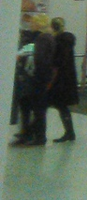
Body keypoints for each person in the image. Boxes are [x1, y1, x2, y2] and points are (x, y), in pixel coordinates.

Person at [11, 14, 55, 147]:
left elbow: (40, 60)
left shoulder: (42, 39)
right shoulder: (46, 38)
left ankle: (35, 136)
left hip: (35, 80)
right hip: (38, 80)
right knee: (34, 109)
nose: (30, 24)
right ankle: (30, 135)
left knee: (34, 110)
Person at [47, 17, 79, 143]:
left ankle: (69, 132)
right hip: (68, 78)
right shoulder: (68, 41)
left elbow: (57, 61)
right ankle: (69, 132)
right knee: (62, 106)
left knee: (59, 105)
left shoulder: (58, 42)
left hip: (59, 79)